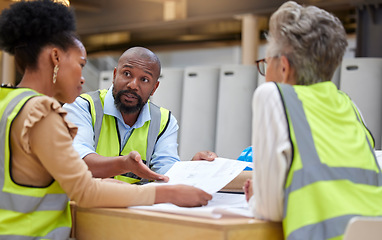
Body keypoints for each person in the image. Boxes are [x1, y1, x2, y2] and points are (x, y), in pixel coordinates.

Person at [0, 1, 211, 239]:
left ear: (154, 87)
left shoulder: (6, 101)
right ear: (56, 57)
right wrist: (169, 195)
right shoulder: (42, 113)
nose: (82, 78)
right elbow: (85, 190)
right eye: (80, 65)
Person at [243, 1, 382, 239]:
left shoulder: (274, 96)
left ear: (284, 67)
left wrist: (257, 195)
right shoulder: (348, 104)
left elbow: (269, 210)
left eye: (266, 64)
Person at [63, 46, 216, 184]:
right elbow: (78, 162)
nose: (133, 85)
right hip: (85, 208)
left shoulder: (164, 121)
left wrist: (192, 168)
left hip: (134, 209)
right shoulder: (83, 107)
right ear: (115, 74)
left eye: (144, 79)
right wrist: (124, 164)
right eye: (127, 74)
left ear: (154, 88)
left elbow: (166, 172)